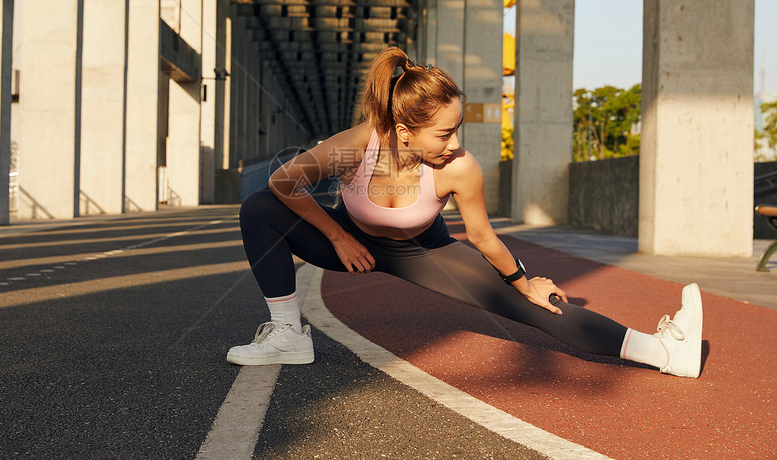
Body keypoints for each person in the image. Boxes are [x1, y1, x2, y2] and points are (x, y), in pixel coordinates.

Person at [228, 46, 703, 379]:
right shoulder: (358, 145)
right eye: (443, 133)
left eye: (458, 128)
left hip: (423, 251)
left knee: (533, 307)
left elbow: (483, 237)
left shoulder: (460, 168)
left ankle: (663, 351)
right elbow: (282, 181)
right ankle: (287, 335)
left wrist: (524, 282)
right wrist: (336, 236)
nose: (455, 143)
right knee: (258, 209)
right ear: (404, 130)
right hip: (352, 241)